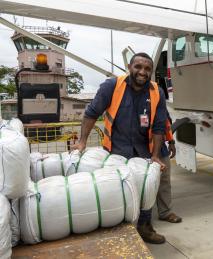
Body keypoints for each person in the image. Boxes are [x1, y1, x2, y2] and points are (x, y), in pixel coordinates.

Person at [73, 52, 181, 244]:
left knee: (149, 184)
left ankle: (145, 227)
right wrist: (82, 141)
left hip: (146, 148)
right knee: (121, 188)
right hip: (118, 148)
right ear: (129, 67)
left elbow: (159, 126)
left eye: (147, 69)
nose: (142, 72)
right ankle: (122, 228)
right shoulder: (112, 86)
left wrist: (155, 155)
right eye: (138, 67)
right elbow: (91, 113)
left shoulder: (157, 92)